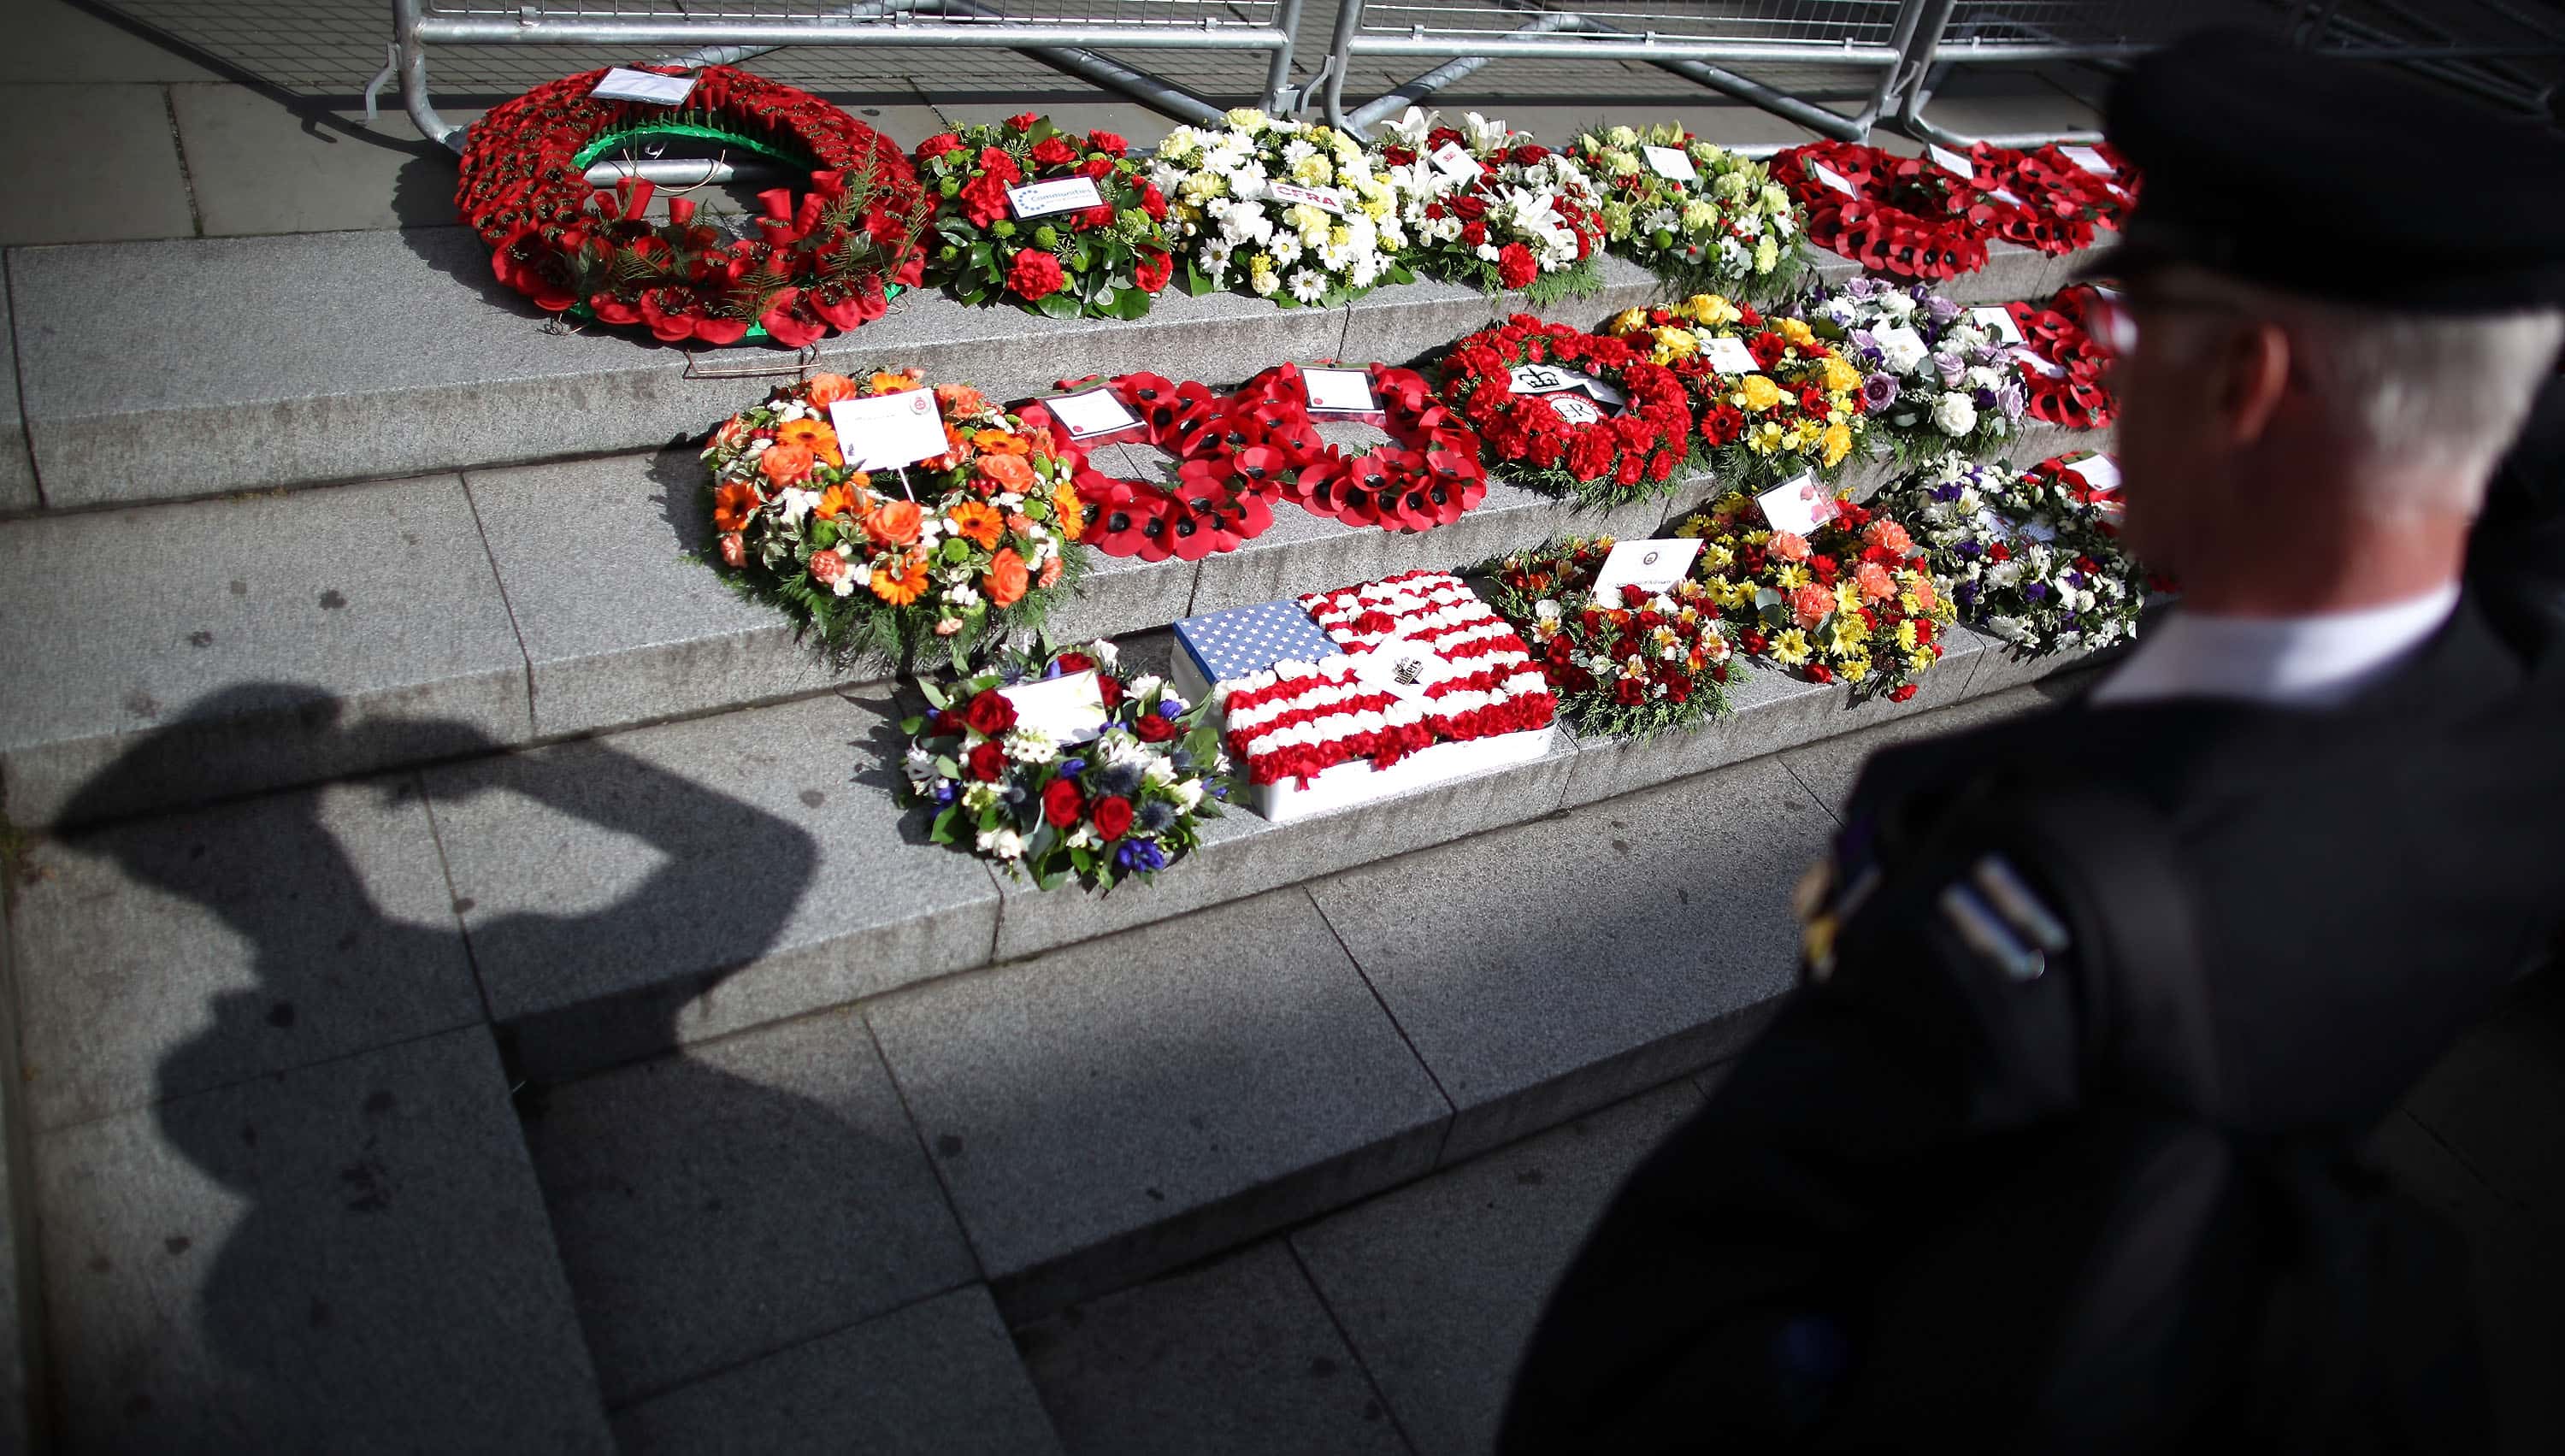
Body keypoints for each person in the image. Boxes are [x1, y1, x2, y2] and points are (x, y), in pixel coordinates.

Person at [1501, 28, 2565, 1453]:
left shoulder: (2056, 881)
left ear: (2242, 381)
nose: (2106, 380)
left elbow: (1715, 1282)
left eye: (2131, 332)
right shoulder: (2509, 710)